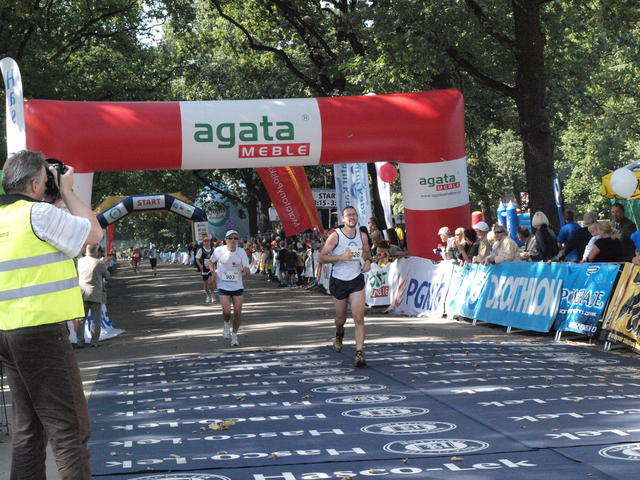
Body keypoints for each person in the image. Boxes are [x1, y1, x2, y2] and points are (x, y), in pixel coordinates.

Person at [0, 150, 103, 479]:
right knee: (70, 430)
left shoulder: (11, 216)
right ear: (34, 184)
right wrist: (68, 191)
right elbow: (93, 234)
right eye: (46, 181)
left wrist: (54, 196)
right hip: (42, 332)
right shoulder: (39, 215)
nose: (48, 187)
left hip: (7, 333)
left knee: (28, 431)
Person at [319, 206, 373, 368]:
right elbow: (321, 258)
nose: (351, 217)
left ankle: (359, 353)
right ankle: (339, 332)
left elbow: (367, 252)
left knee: (359, 318)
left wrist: (368, 261)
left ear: (357, 217)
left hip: (356, 279)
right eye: (348, 215)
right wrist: (341, 257)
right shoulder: (335, 236)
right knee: (340, 318)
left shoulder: (363, 236)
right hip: (339, 280)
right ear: (343, 218)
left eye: (354, 214)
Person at [209, 229, 250, 346]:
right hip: (223, 285)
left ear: (238, 240)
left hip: (237, 286)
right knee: (227, 311)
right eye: (230, 238)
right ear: (226, 240)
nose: (233, 240)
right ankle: (226, 324)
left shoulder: (241, 252)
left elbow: (247, 270)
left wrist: (246, 270)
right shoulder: (219, 250)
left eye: (235, 238)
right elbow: (211, 262)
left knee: (238, 312)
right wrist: (213, 273)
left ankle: (234, 336)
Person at [77, 243, 111, 348]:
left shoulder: (79, 261)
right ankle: (94, 341)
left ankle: (80, 341)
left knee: (81, 319)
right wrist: (105, 264)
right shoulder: (99, 263)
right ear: (96, 252)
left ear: (86, 251)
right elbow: (108, 276)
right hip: (96, 294)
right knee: (96, 319)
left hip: (82, 293)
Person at [196, 237, 216, 303]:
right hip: (204, 269)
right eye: (205, 241)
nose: (207, 242)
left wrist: (216, 265)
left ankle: (212, 295)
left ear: (210, 242)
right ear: (203, 243)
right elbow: (197, 259)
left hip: (212, 268)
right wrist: (200, 266)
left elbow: (217, 258)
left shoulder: (213, 249)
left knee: (211, 282)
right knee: (206, 284)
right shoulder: (201, 250)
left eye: (208, 241)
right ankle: (208, 295)